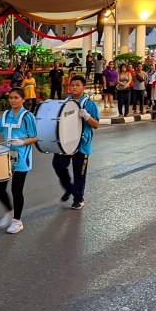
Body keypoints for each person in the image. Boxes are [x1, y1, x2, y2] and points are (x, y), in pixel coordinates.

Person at [0, 87, 38, 234]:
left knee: (16, 190)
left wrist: (21, 142)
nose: (13, 100)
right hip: (4, 156)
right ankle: (9, 211)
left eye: (16, 98)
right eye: (10, 98)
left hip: (21, 157)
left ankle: (17, 221)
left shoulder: (28, 117)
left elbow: (34, 137)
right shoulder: (5, 114)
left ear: (23, 99)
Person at [51, 75, 100, 211]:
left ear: (83, 87)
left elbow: (96, 124)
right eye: (72, 85)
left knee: (79, 172)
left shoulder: (89, 104)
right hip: (66, 142)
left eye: (77, 85)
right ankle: (69, 188)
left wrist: (87, 117)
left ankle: (78, 199)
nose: (74, 87)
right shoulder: (66, 103)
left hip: (82, 144)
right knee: (58, 165)